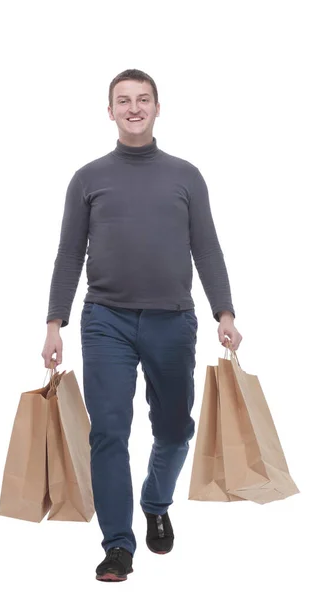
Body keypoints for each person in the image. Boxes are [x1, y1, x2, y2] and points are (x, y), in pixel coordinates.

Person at [41, 69, 243, 582]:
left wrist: (225, 312)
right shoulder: (88, 178)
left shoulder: (186, 176)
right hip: (105, 320)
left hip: (172, 321)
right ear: (109, 111)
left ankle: (156, 501)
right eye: (123, 101)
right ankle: (118, 546)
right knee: (108, 432)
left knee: (176, 430)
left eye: (143, 99)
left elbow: (207, 249)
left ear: (157, 107)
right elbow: (69, 254)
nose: (133, 108)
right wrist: (54, 323)